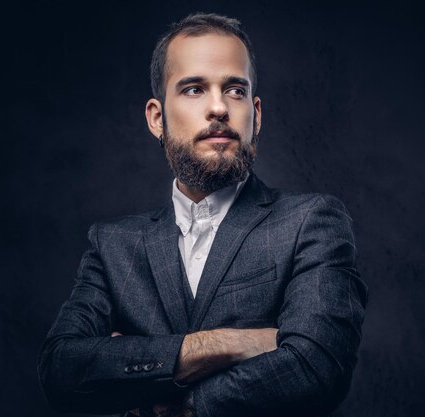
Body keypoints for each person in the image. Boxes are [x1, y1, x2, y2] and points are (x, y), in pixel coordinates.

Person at [38, 12, 367, 417]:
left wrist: (179, 404)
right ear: (157, 118)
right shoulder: (113, 245)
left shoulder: (311, 222)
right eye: (194, 89)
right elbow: (62, 369)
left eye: (234, 90)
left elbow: (317, 368)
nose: (218, 107)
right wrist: (231, 344)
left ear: (256, 114)